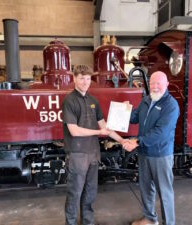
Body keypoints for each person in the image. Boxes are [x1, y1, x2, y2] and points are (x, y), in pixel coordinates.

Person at [62, 64, 125, 225]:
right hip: (77, 154)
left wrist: (121, 140)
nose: (85, 82)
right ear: (74, 79)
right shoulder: (69, 101)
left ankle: (87, 222)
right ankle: (70, 222)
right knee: (75, 193)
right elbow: (74, 131)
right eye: (81, 78)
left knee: (90, 193)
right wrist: (98, 133)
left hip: (93, 154)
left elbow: (105, 126)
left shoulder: (93, 101)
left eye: (88, 78)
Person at [123, 71, 180, 225]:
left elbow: (160, 132)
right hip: (144, 153)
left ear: (166, 84)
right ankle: (149, 219)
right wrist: (125, 111)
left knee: (165, 192)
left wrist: (137, 142)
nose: (155, 87)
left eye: (159, 83)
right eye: (152, 83)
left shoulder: (171, 105)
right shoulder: (147, 100)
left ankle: (169, 223)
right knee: (146, 188)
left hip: (160, 155)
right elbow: (135, 117)